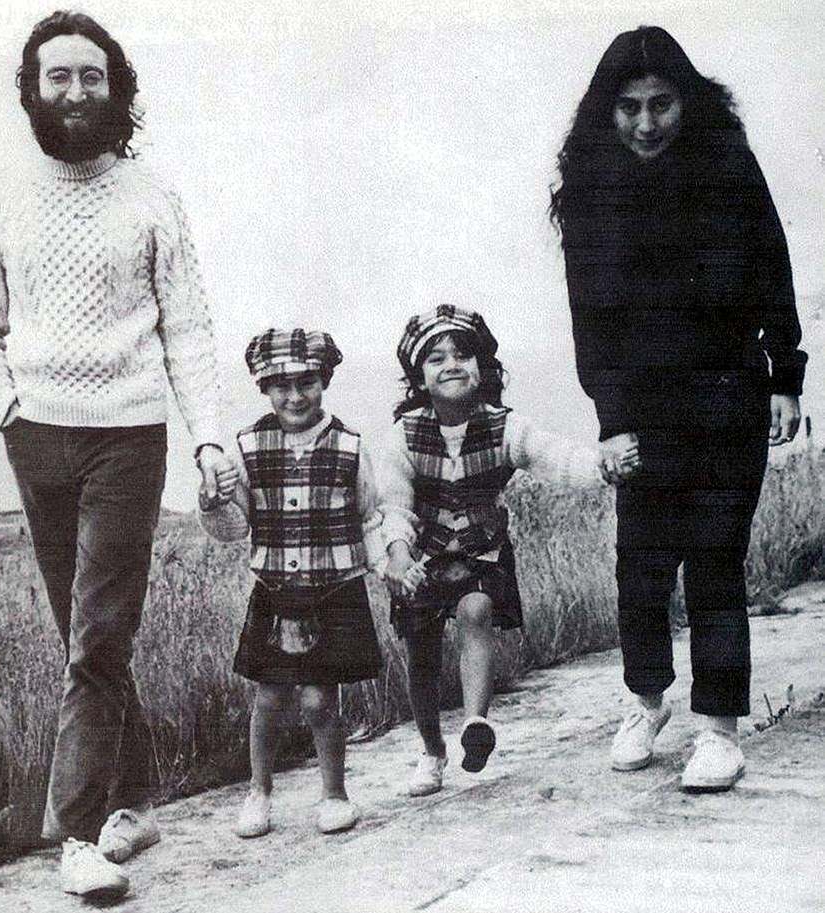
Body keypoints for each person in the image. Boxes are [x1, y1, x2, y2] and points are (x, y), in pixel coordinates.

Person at [0, 11, 233, 899]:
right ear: (32, 89)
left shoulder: (154, 196)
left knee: (99, 633)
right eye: (57, 77)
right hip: (36, 434)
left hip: (130, 433)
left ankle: (74, 834)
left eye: (91, 76)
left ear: (117, 86)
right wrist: (6, 407)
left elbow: (187, 327)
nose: (75, 93)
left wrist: (209, 438)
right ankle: (137, 800)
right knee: (86, 637)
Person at [550, 26, 807, 792]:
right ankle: (646, 702)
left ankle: (719, 730)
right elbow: (589, 319)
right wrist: (611, 418)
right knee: (641, 568)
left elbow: (774, 265)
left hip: (729, 393)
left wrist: (786, 375)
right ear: (608, 111)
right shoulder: (589, 189)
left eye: (663, 103)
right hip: (642, 406)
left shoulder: (729, 167)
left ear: (687, 102)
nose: (647, 122)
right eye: (629, 107)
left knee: (716, 562)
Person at [378, 305, 635, 797]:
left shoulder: (505, 427)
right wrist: (397, 555)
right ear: (419, 377)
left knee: (476, 609)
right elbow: (393, 503)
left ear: (482, 368)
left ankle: (476, 723)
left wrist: (602, 466)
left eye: (462, 355)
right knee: (422, 653)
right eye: (436, 358)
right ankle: (431, 752)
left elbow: (555, 457)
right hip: (420, 556)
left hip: (481, 551)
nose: (451, 364)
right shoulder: (403, 436)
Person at [199, 329, 384, 838]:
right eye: (280, 385)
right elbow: (233, 528)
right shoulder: (246, 446)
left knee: (320, 701)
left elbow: (371, 517)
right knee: (269, 699)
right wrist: (213, 502)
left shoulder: (350, 446)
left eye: (306, 383)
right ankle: (258, 792)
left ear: (324, 381)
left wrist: (391, 562)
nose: (295, 396)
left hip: (335, 588)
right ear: (264, 387)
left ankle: (334, 794)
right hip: (276, 589)